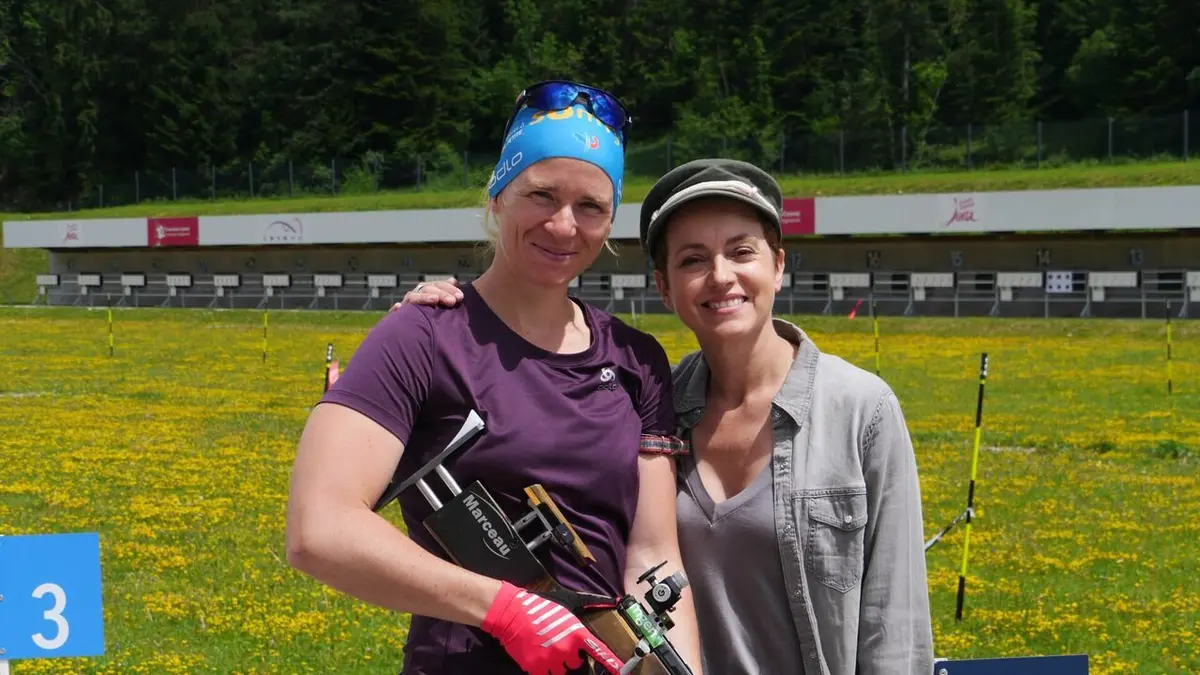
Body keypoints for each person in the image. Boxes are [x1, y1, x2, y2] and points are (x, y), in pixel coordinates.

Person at [398, 158, 936, 675]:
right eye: (693, 260)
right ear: (664, 286)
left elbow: (895, 626)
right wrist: (447, 320)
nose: (720, 276)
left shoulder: (861, 410)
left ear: (777, 265)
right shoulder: (644, 405)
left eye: (741, 252)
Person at [285, 80, 704, 675]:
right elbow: (319, 527)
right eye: (541, 195)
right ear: (498, 196)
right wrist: (503, 610)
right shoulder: (422, 336)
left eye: (590, 206)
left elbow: (653, 557)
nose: (563, 225)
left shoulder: (638, 360)